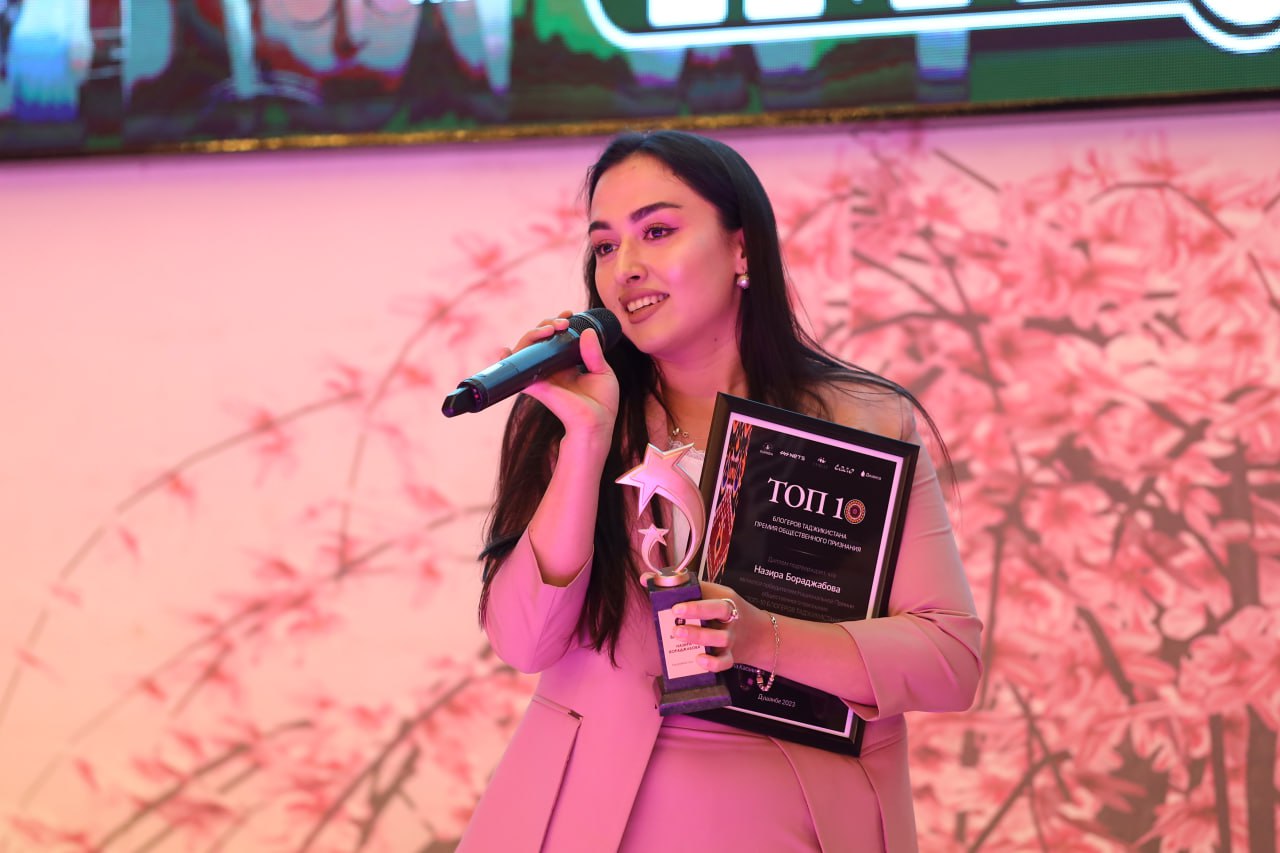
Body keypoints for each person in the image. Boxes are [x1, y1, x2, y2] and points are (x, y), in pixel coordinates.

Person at [458, 130, 982, 852]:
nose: (626, 267)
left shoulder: (863, 421)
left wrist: (762, 637)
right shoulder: (573, 413)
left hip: (796, 813)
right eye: (605, 246)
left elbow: (949, 662)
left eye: (658, 231)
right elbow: (523, 639)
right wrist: (585, 440)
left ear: (742, 250)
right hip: (591, 815)